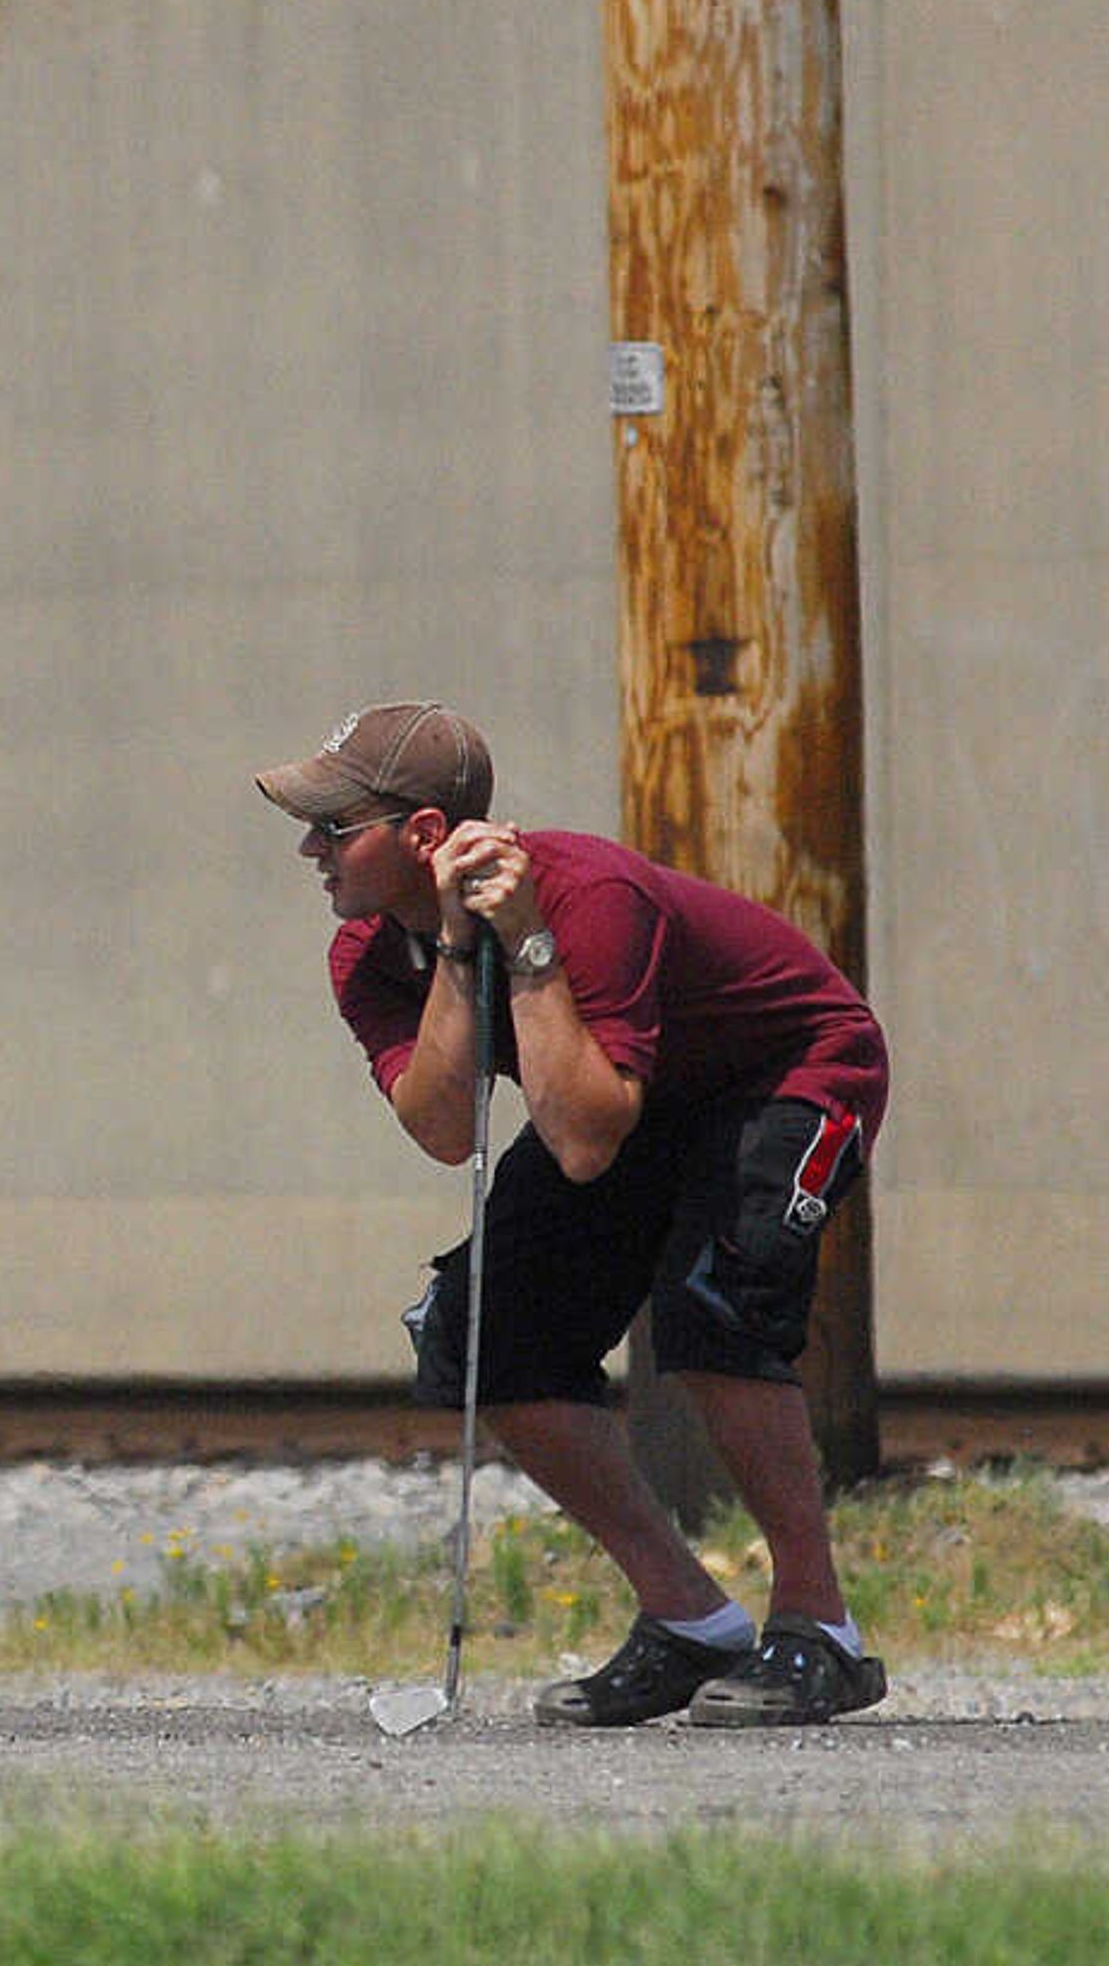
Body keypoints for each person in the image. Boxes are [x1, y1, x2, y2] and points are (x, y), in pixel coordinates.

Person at [255, 701, 894, 1727]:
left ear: (422, 833)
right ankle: (690, 1618)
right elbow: (444, 1129)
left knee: (714, 1307)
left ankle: (821, 1628)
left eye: (335, 828)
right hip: (621, 1095)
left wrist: (528, 945)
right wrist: (465, 957)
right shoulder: (372, 956)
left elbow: (590, 1137)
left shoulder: (588, 893)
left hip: (785, 1073)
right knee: (479, 1336)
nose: (309, 849)